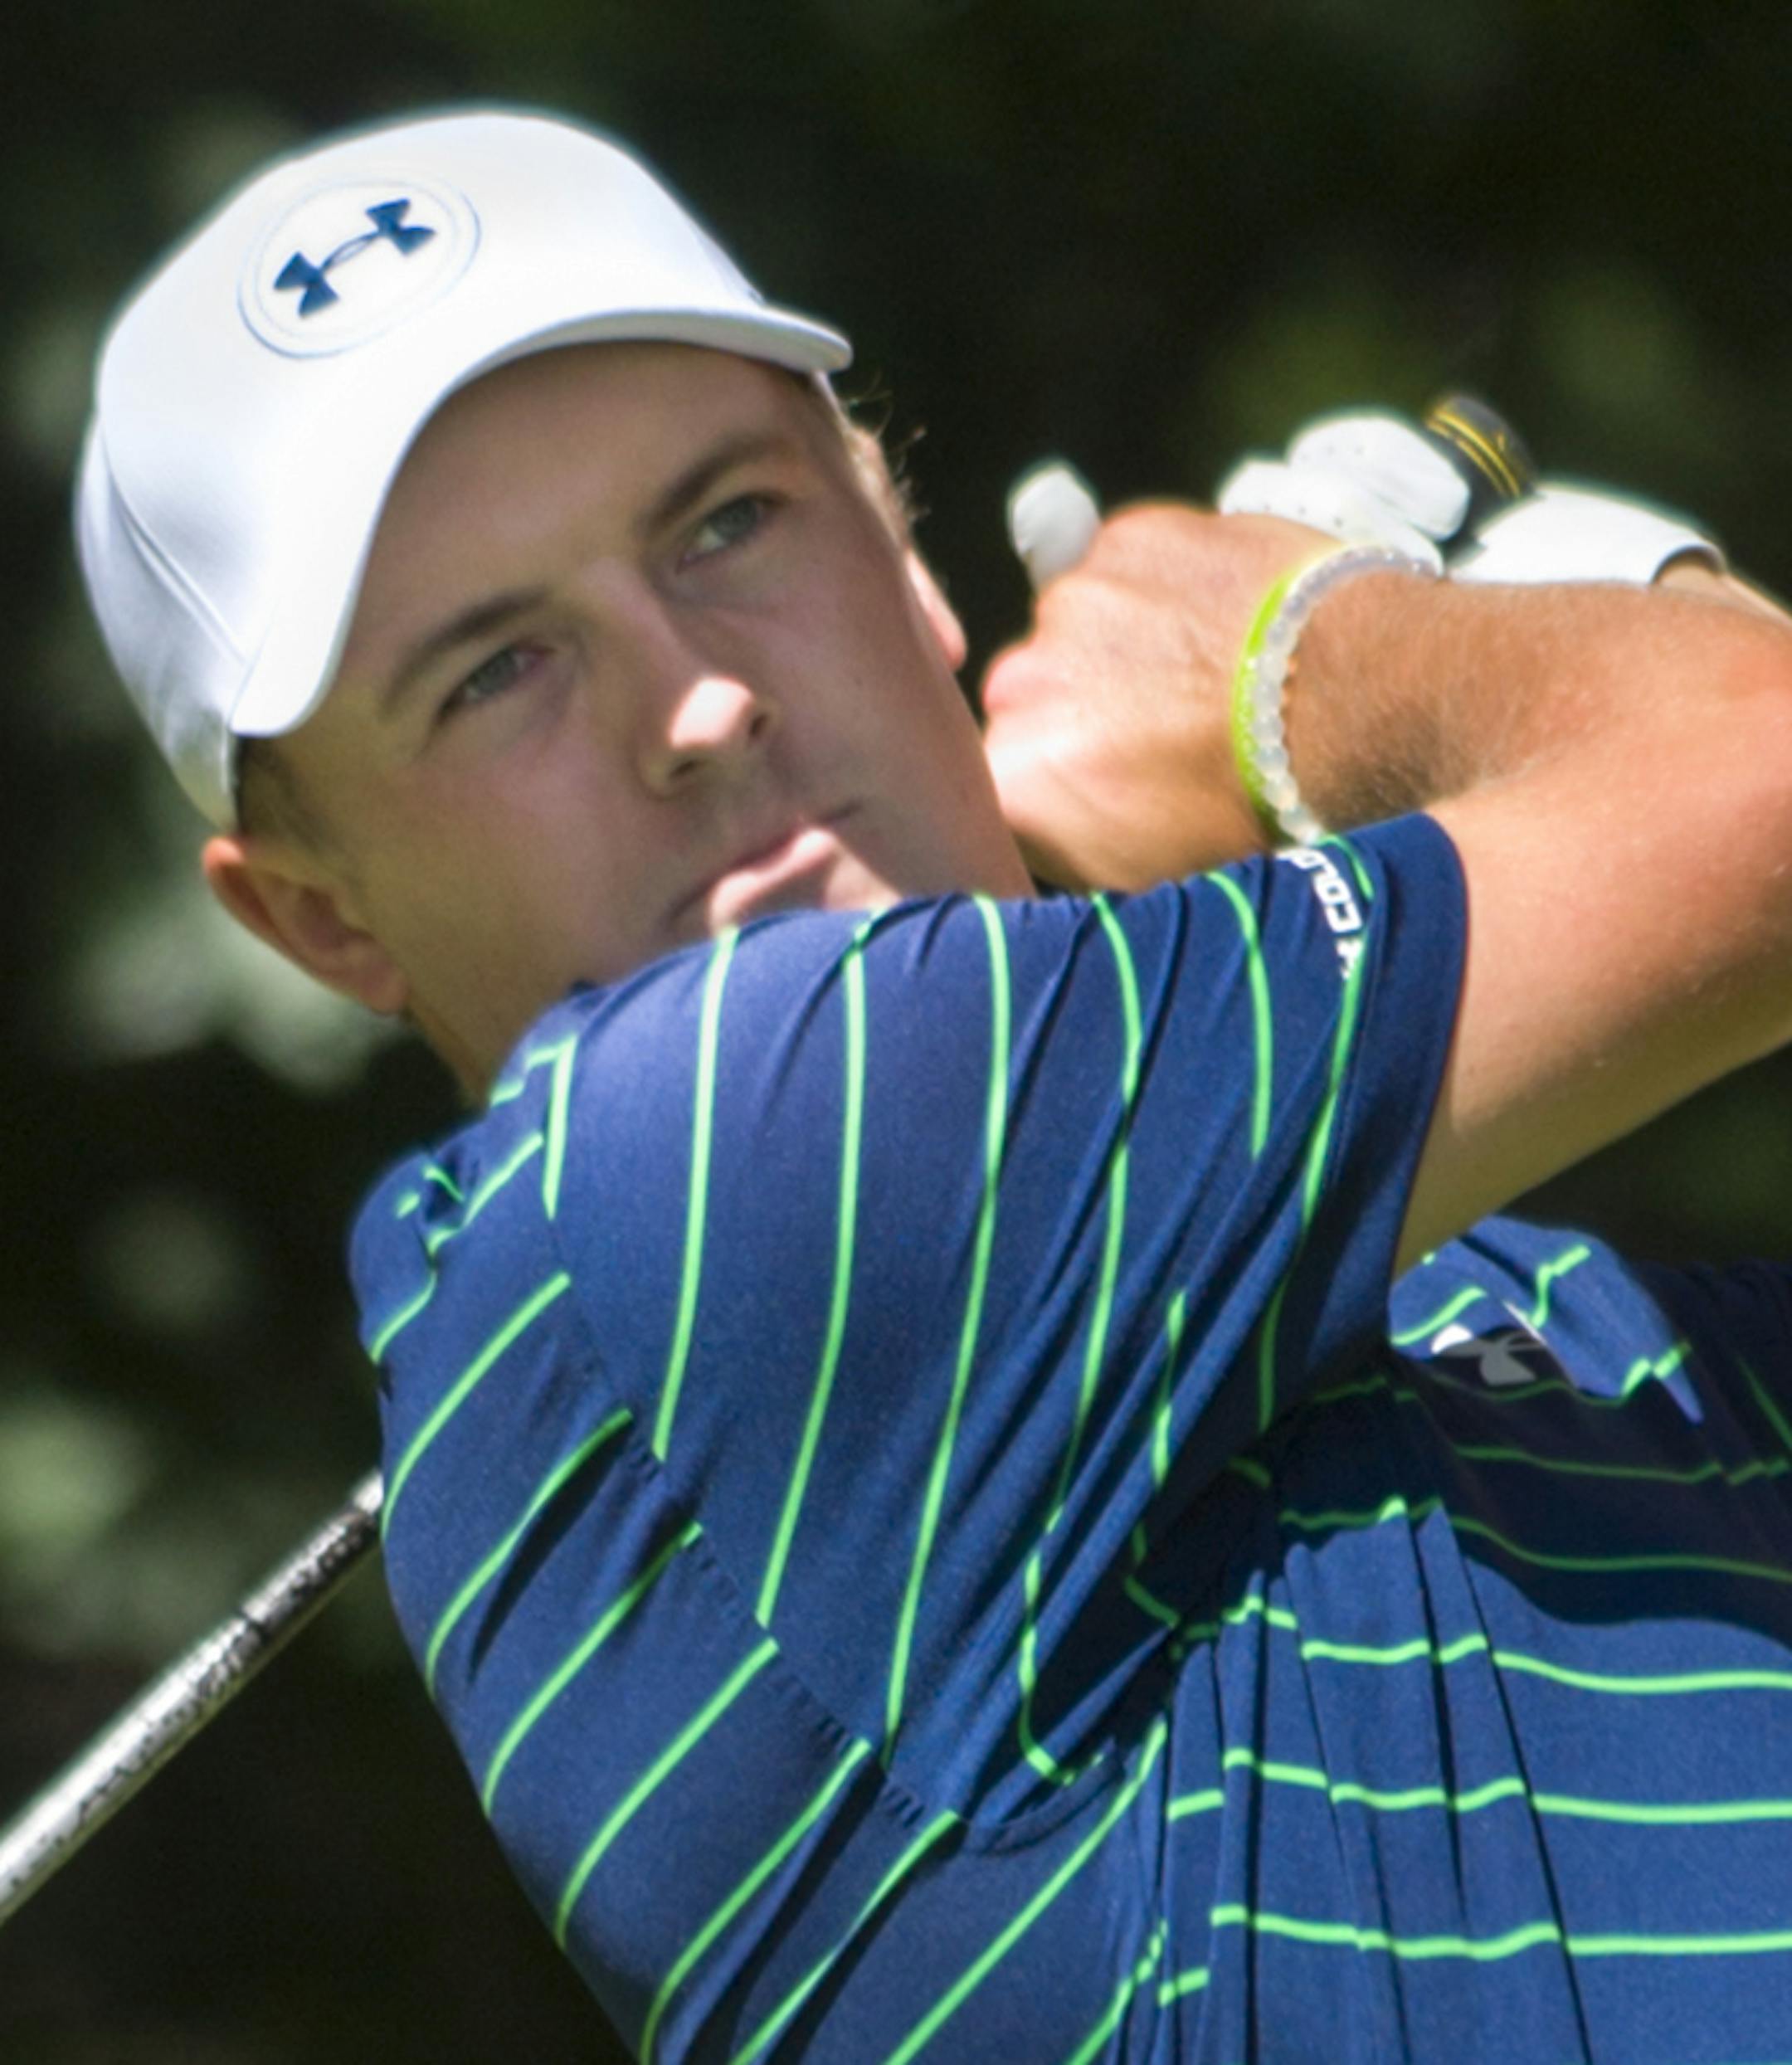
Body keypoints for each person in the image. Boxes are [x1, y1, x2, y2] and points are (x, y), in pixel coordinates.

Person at [75, 106, 1792, 2065]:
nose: (695, 702)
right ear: (318, 921)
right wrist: (1320, 653)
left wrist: (1637, 647)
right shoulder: (682, 1180)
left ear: (904, 557)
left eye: (728, 525)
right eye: (494, 674)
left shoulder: (1514, 1302)